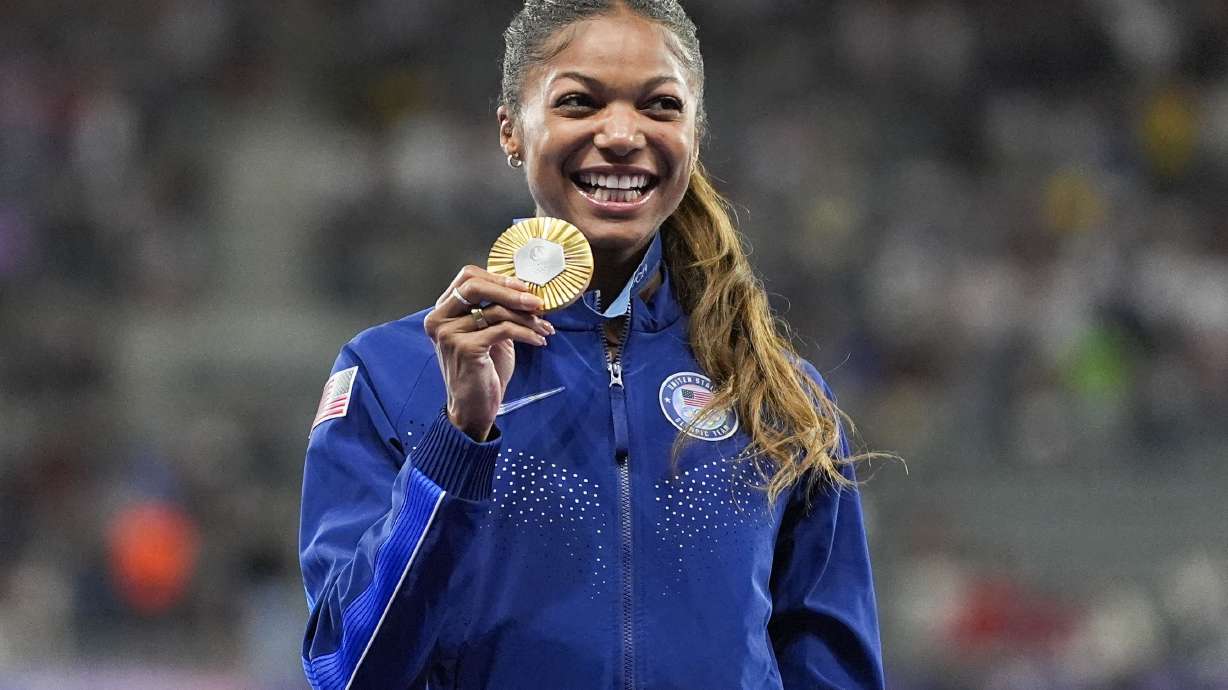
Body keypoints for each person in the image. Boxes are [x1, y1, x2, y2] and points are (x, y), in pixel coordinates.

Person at [298, 1, 884, 688]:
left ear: (694, 134)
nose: (621, 134)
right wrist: (459, 439)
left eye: (659, 106)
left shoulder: (777, 393)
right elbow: (345, 670)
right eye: (579, 102)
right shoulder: (389, 374)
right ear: (511, 131)